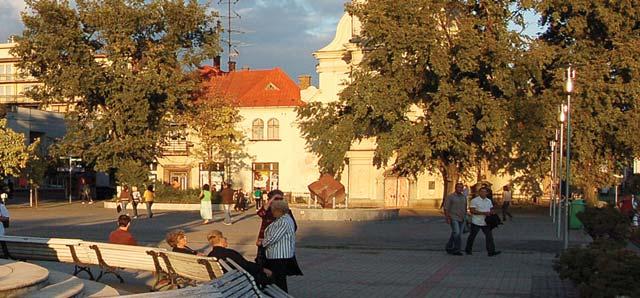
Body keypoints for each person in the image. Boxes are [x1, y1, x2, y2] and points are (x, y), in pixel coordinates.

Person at [260, 200, 302, 293]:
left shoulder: (284, 221)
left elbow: (274, 237)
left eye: (273, 210)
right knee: (278, 279)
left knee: (279, 280)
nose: (272, 212)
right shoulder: (282, 219)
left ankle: (281, 295)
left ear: (279, 210)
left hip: (279, 255)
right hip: (277, 255)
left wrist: (263, 242)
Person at [207, 230, 272, 282]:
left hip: (223, 281)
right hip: (238, 281)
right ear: (220, 240)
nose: (226, 239)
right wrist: (263, 269)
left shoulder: (210, 256)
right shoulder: (229, 253)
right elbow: (246, 265)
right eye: (224, 238)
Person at [256, 190, 297, 265]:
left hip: (277, 246)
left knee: (275, 269)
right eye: (276, 199)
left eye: (280, 200)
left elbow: (294, 227)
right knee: (263, 265)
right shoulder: (268, 210)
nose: (278, 202)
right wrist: (271, 201)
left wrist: (263, 242)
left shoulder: (286, 213)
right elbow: (260, 213)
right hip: (265, 240)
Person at [465, 188, 501, 257]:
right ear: (479, 193)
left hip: (486, 222)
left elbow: (491, 209)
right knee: (472, 236)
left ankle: (491, 251)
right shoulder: (475, 200)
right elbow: (472, 211)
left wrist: (492, 212)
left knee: (489, 237)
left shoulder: (488, 201)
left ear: (487, 193)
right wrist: (483, 213)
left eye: (484, 192)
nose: (483, 193)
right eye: (481, 192)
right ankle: (468, 250)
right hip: (476, 221)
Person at [443, 182, 467, 256]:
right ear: (455, 188)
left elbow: (465, 207)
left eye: (461, 187)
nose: (460, 189)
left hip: (462, 218)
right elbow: (446, 208)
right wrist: (447, 217)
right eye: (458, 187)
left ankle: (449, 246)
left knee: (456, 233)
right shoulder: (451, 197)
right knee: (457, 233)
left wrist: (466, 217)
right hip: (453, 217)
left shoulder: (464, 197)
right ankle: (457, 249)